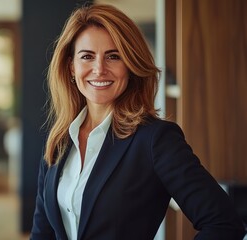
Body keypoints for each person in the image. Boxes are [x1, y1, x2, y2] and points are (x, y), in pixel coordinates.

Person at [30, 3, 246, 240]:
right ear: (71, 67)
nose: (99, 69)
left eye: (113, 56)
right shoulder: (59, 140)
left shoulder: (156, 139)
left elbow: (224, 224)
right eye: (87, 56)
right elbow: (43, 233)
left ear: (130, 65)